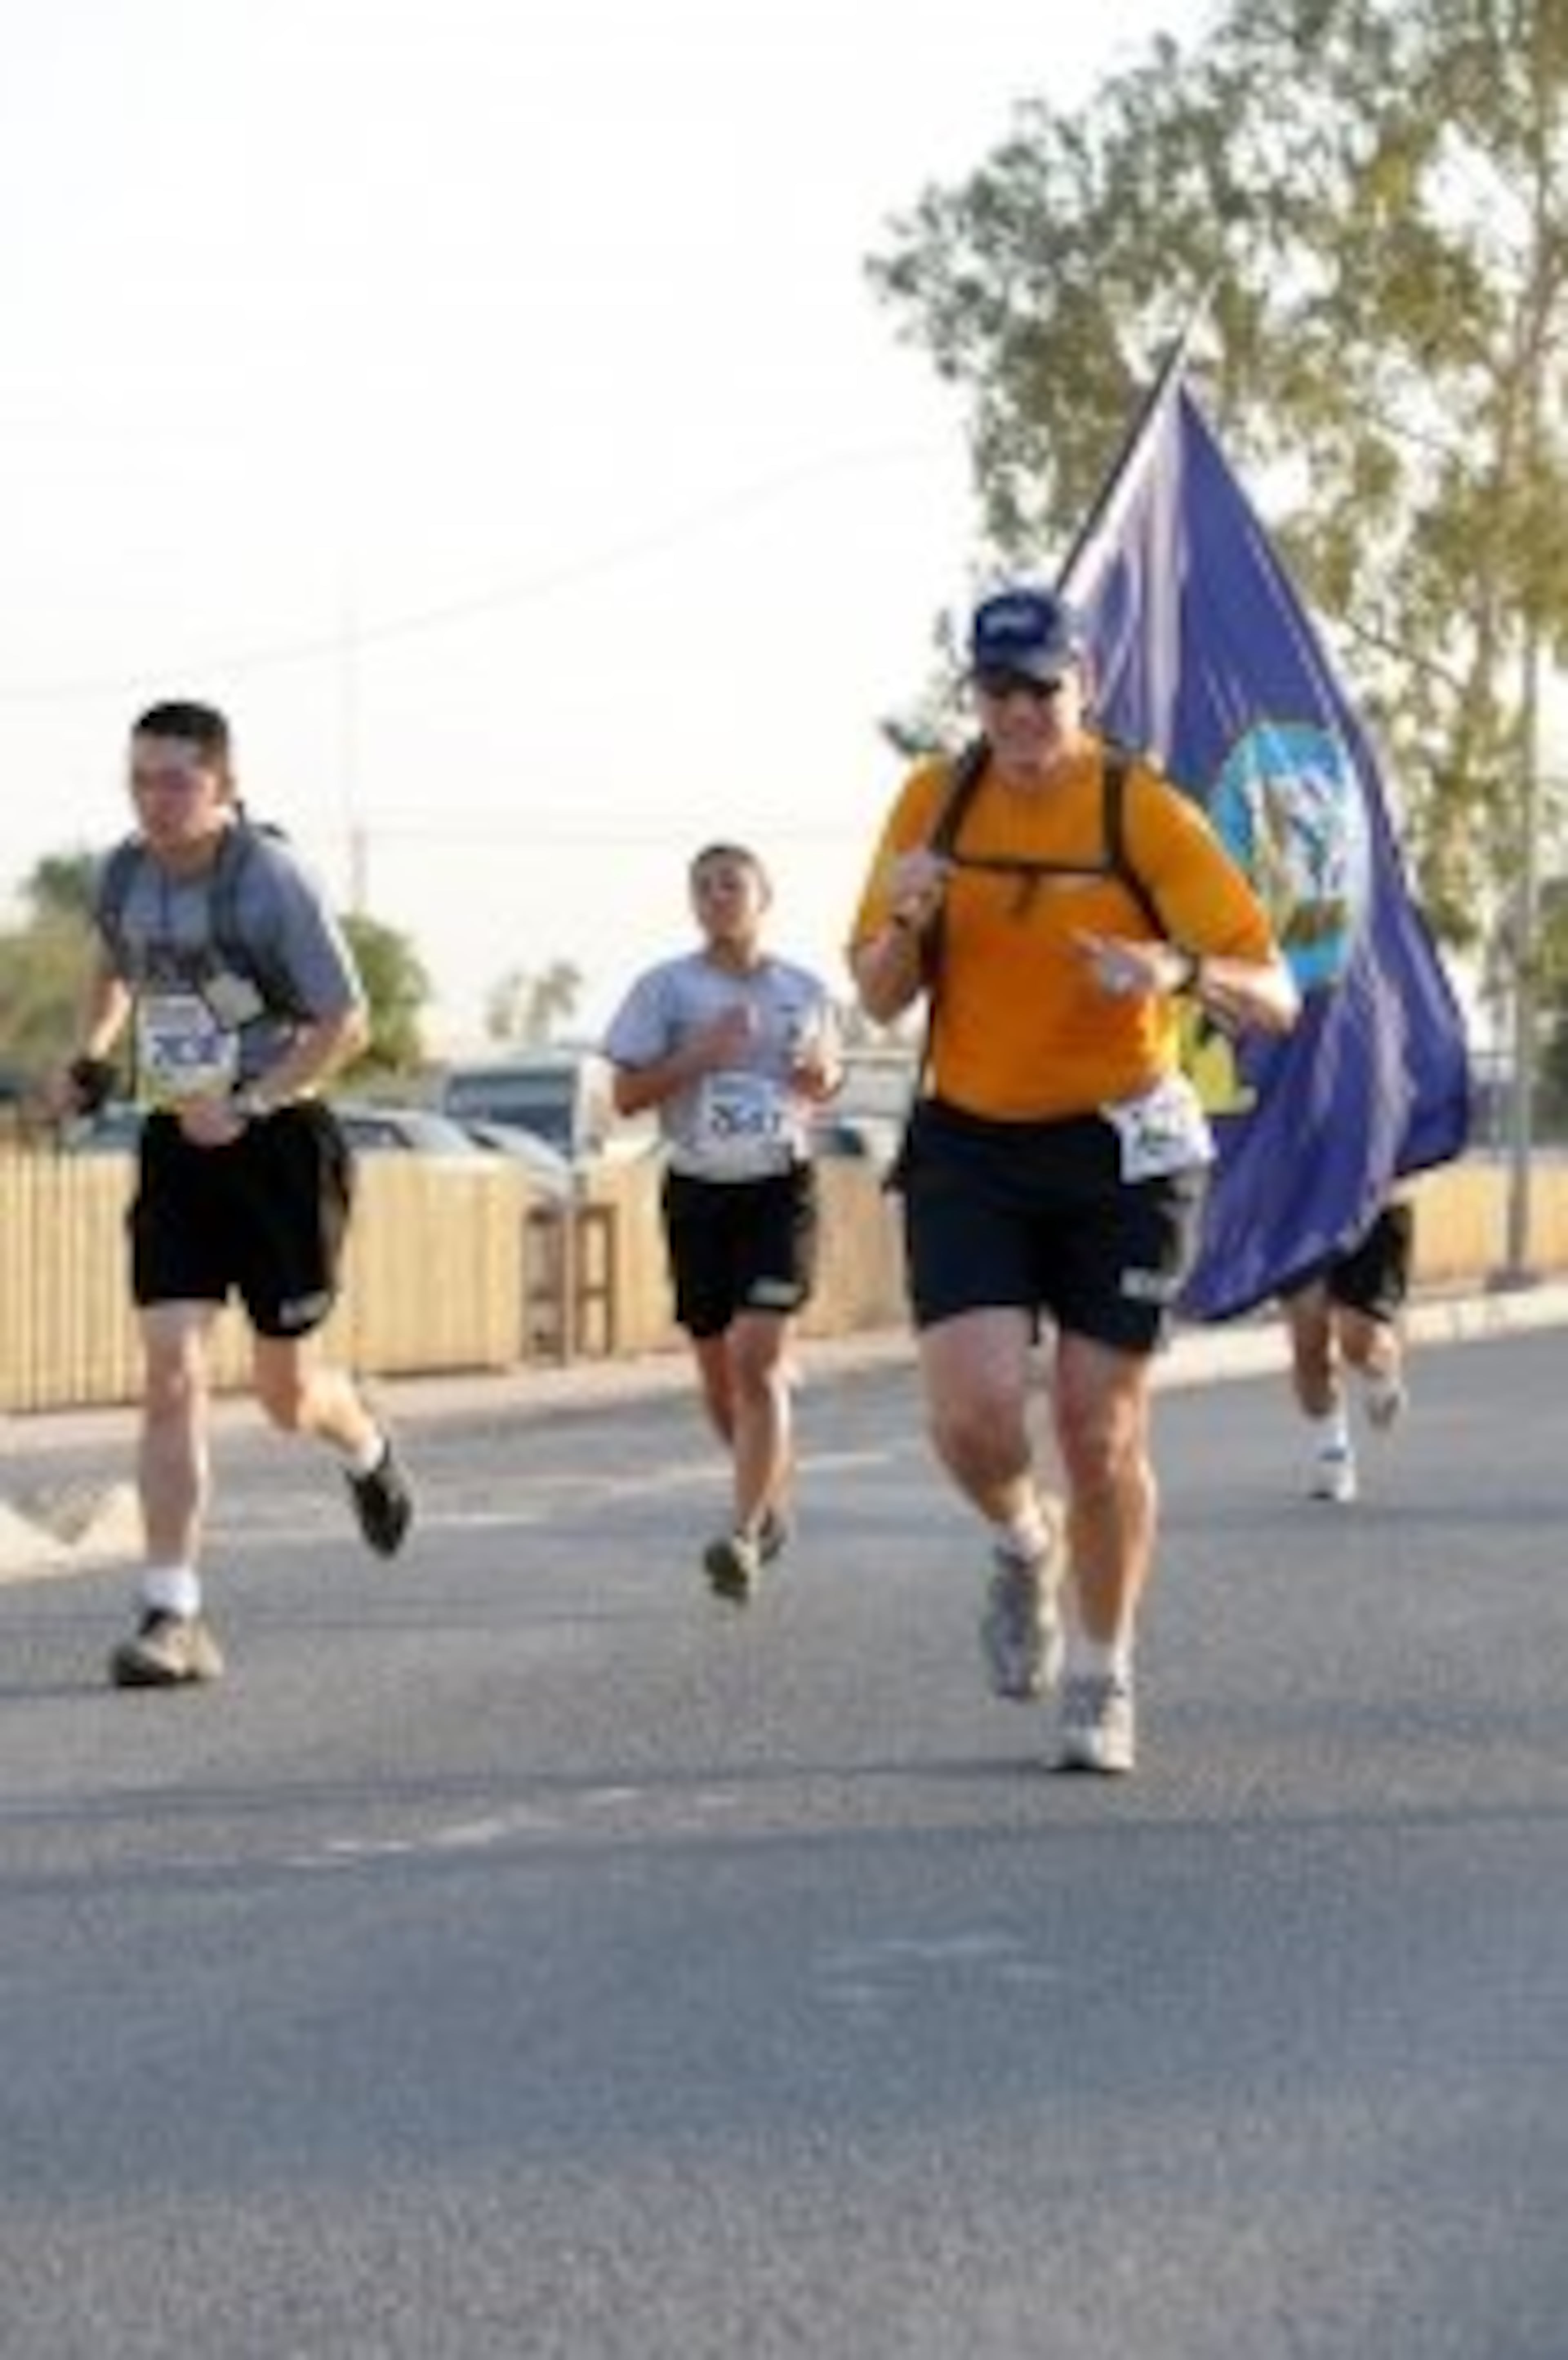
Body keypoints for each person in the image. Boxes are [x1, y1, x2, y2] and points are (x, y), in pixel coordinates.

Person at [848, 585, 1299, 1776]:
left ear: (1080, 682)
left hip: (1119, 1151)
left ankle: (1103, 1675)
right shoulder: (931, 803)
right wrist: (904, 922)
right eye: (994, 690)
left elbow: (1274, 991)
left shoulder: (1138, 810)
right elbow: (880, 995)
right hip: (971, 1142)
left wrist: (1169, 966)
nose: (1017, 713)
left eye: (1039, 688)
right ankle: (1017, 1540)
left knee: (1096, 1428)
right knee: (973, 1413)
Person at [51, 699, 414, 1689]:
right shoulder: (124, 872)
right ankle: (172, 1611)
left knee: (285, 1394)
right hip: (178, 1142)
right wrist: (86, 1053)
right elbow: (111, 966)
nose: (155, 800)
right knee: (172, 1369)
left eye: (176, 780)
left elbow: (345, 1020)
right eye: (140, 779)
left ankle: (367, 1441)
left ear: (224, 784)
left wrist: (250, 1101)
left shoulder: (270, 881)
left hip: (280, 1141)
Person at [603, 842, 842, 1602]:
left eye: (731, 883)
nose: (716, 896)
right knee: (717, 1376)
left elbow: (828, 1076)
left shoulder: (804, 988)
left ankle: (740, 1534)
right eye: (702, 885)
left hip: (780, 1183)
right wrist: (699, 1053)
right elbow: (627, 1096)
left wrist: (818, 1076)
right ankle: (766, 1492)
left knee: (757, 1357)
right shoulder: (665, 988)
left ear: (764, 895)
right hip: (700, 1187)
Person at [1281, 1191, 1414, 1504]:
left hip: (1375, 1199)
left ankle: (1383, 1370)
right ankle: (1333, 1449)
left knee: (1357, 1340)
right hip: (1301, 1203)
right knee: (1308, 1335)